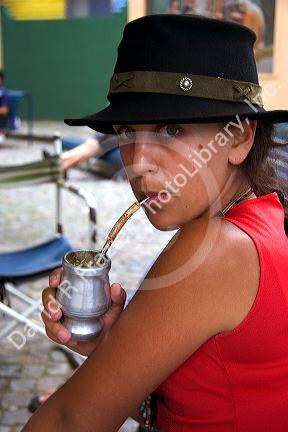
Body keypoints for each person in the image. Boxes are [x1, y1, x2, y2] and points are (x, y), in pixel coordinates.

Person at [22, 14, 288, 432]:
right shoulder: (265, 218)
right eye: (127, 131)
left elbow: (68, 421)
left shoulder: (216, 248)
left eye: (170, 128)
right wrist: (108, 348)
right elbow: (202, 402)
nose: (139, 164)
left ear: (239, 137)